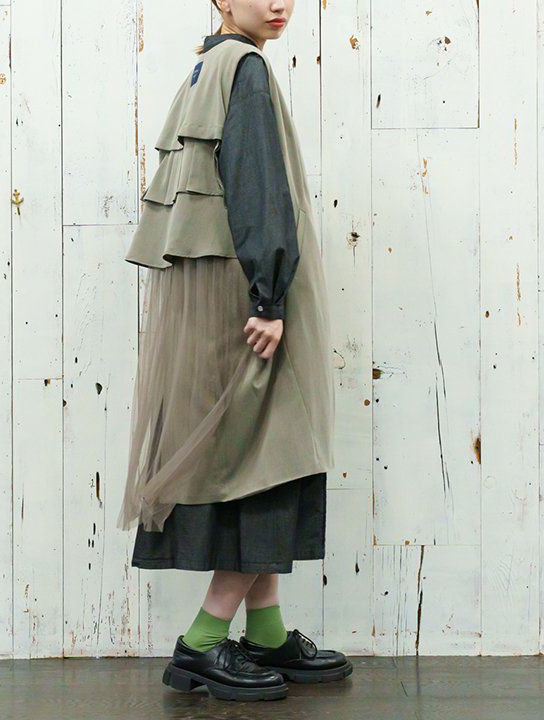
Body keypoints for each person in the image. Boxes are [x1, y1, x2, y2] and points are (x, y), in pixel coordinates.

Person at [117, 0, 352, 702]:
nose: (279, 4)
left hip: (220, 300)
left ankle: (268, 631)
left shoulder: (206, 66)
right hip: (248, 301)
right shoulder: (245, 69)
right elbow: (258, 190)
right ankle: (202, 643)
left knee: (261, 457)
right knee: (270, 457)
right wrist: (270, 300)